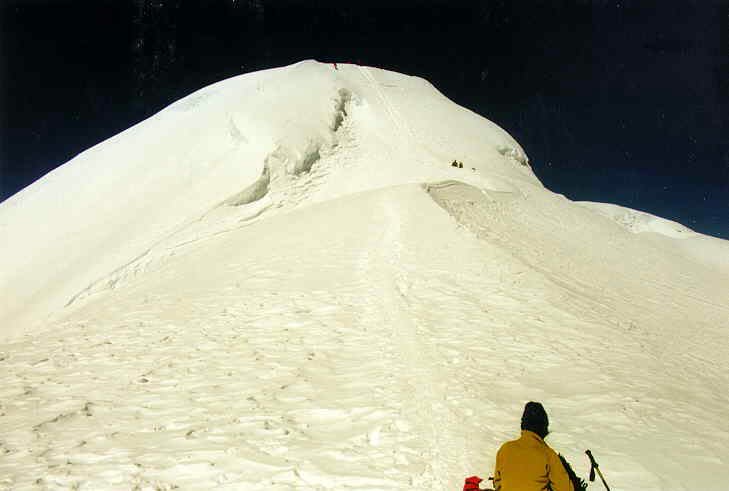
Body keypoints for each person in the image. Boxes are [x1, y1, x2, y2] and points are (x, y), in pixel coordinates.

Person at [493, 402, 573, 491]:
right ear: (544, 428)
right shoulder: (548, 454)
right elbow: (565, 488)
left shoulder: (505, 449)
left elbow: (498, 483)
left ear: (523, 425)